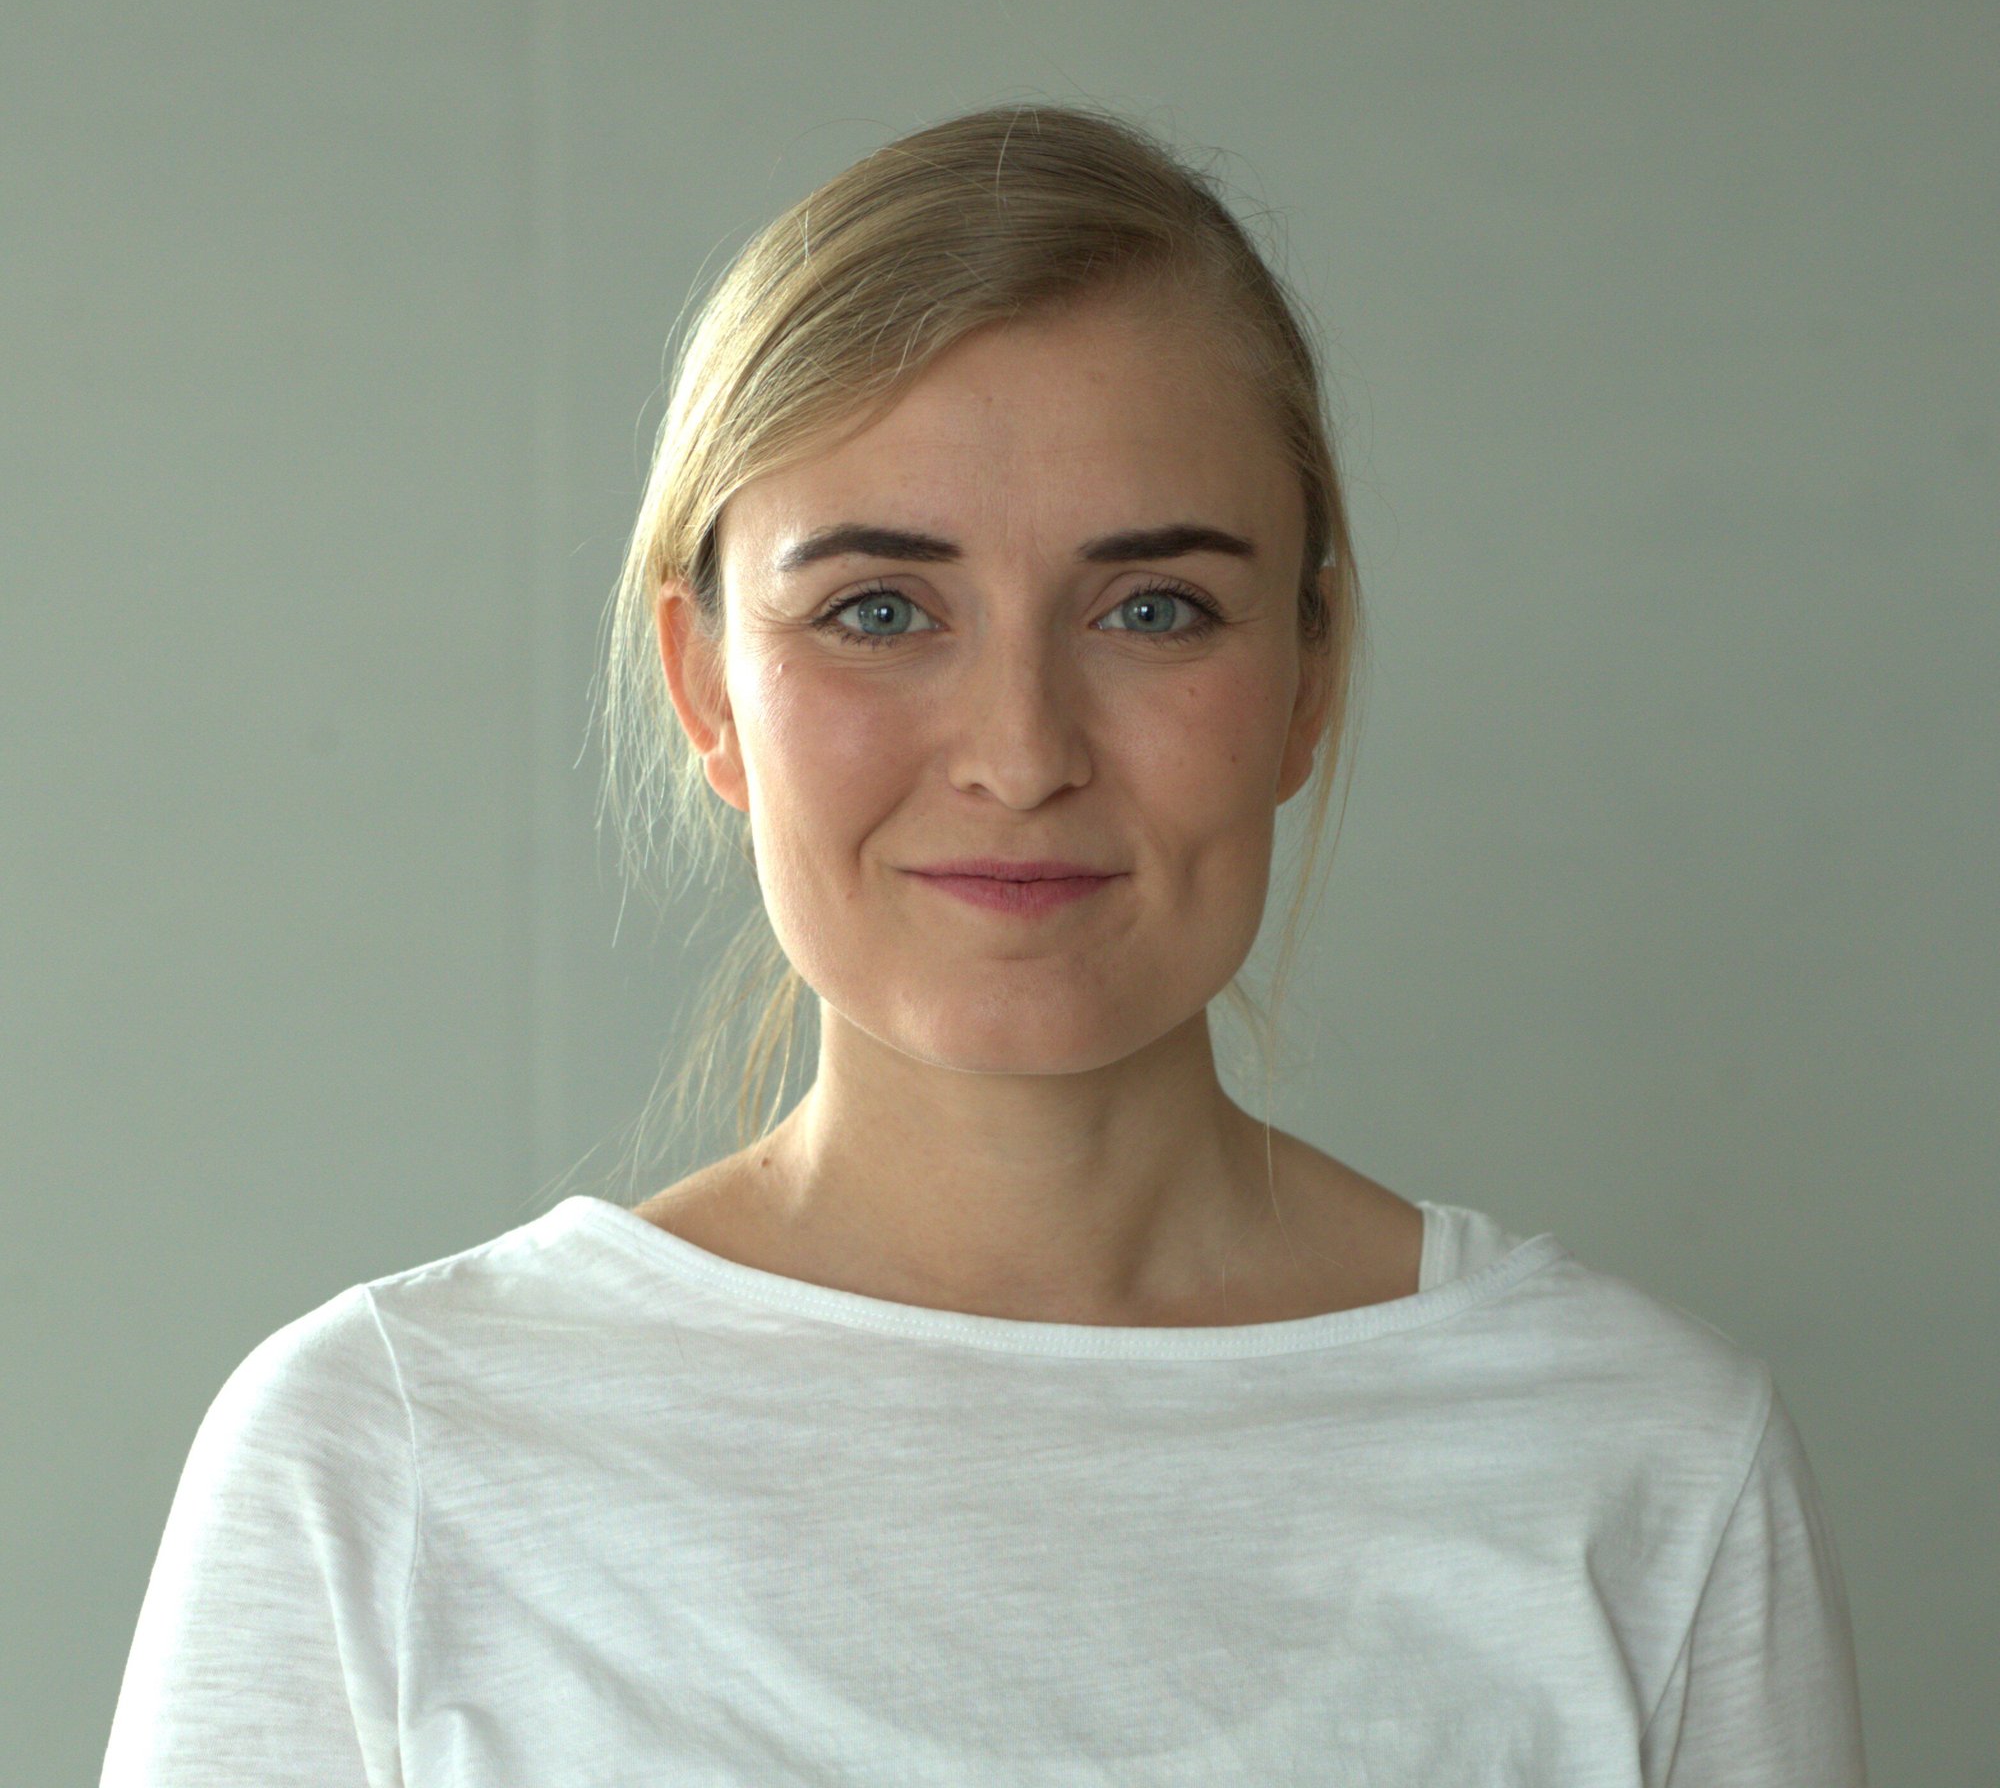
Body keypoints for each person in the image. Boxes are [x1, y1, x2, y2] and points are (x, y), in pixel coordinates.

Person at [100, 102, 1868, 1784]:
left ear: (1306, 679)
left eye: (1153, 608)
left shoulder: (1645, 1465)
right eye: (879, 610)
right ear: (707, 688)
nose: (1023, 755)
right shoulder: (383, 1458)